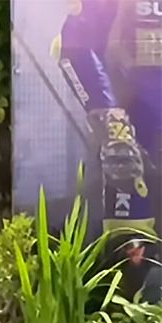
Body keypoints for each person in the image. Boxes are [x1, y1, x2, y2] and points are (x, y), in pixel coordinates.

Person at [53, 0, 161, 301]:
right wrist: (109, 117)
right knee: (131, 253)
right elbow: (72, 45)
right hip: (133, 136)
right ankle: (131, 320)